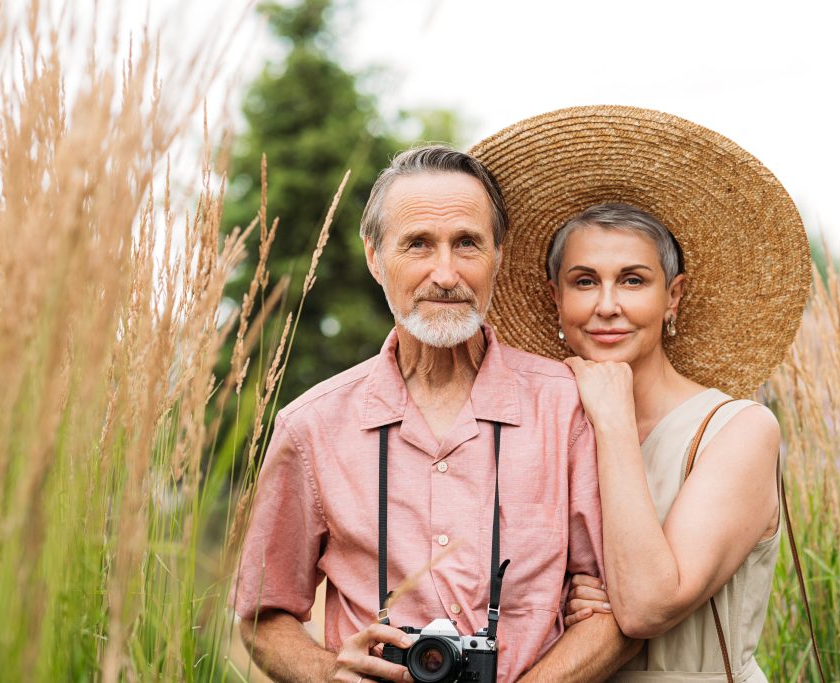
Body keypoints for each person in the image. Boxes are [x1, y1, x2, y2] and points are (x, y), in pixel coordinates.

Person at [232, 145, 641, 683]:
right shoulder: (310, 426)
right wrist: (326, 674)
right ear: (375, 257)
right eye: (418, 244)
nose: (445, 273)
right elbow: (262, 614)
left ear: (498, 253)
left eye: (467, 243)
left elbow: (623, 609)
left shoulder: (568, 408)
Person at [470, 106, 814, 682]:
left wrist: (610, 416)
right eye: (585, 281)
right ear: (555, 298)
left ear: (672, 296)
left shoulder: (738, 431)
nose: (607, 305)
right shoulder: (539, 429)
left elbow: (650, 604)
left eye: (633, 280)